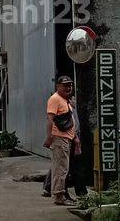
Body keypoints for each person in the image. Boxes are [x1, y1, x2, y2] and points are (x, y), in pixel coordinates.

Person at [42, 92, 87, 198]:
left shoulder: (69, 106)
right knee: (65, 165)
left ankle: (50, 188)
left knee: (61, 164)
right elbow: (52, 121)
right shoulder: (61, 104)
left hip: (71, 136)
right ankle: (63, 193)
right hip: (65, 137)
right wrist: (50, 137)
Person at [44, 75, 79, 206]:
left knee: (63, 168)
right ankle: (58, 196)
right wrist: (49, 137)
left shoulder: (66, 100)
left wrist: (75, 139)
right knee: (60, 168)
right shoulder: (55, 99)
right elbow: (50, 120)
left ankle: (62, 193)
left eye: (70, 85)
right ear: (58, 86)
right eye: (65, 85)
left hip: (67, 138)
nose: (68, 87)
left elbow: (71, 121)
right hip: (59, 138)